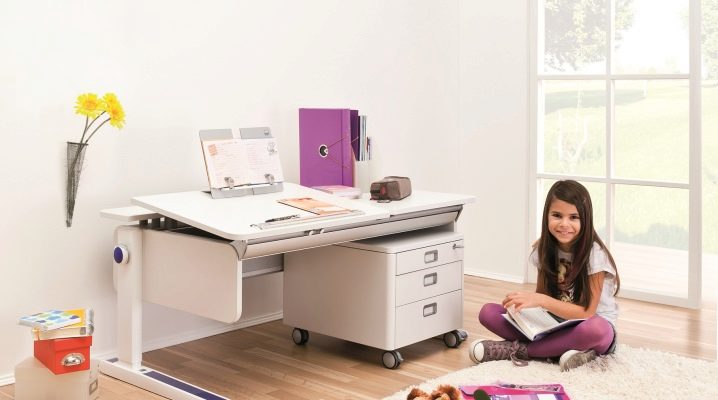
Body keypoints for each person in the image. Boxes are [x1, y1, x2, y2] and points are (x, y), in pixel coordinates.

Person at [468, 180, 620, 371]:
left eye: (574, 217)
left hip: (589, 326)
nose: (564, 224)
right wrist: (523, 308)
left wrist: (540, 300)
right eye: (557, 215)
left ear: (586, 220)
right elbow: (541, 299)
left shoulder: (595, 255)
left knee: (597, 330)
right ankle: (565, 351)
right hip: (554, 325)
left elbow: (587, 313)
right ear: (546, 216)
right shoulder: (543, 250)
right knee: (488, 312)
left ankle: (520, 351)